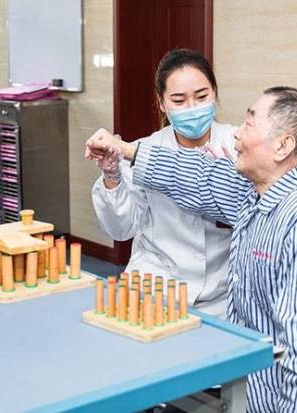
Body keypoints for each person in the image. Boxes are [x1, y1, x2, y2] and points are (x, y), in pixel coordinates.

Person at [85, 87, 297, 412]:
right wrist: (125, 150)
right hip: (254, 386)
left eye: (249, 123)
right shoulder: (257, 190)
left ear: (283, 146)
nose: (237, 133)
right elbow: (197, 175)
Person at [91, 49, 235, 318]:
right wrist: (112, 176)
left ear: (214, 93)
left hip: (222, 295)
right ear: (162, 103)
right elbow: (120, 230)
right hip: (156, 285)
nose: (192, 108)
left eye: (201, 96)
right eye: (179, 100)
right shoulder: (145, 149)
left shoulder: (236, 146)